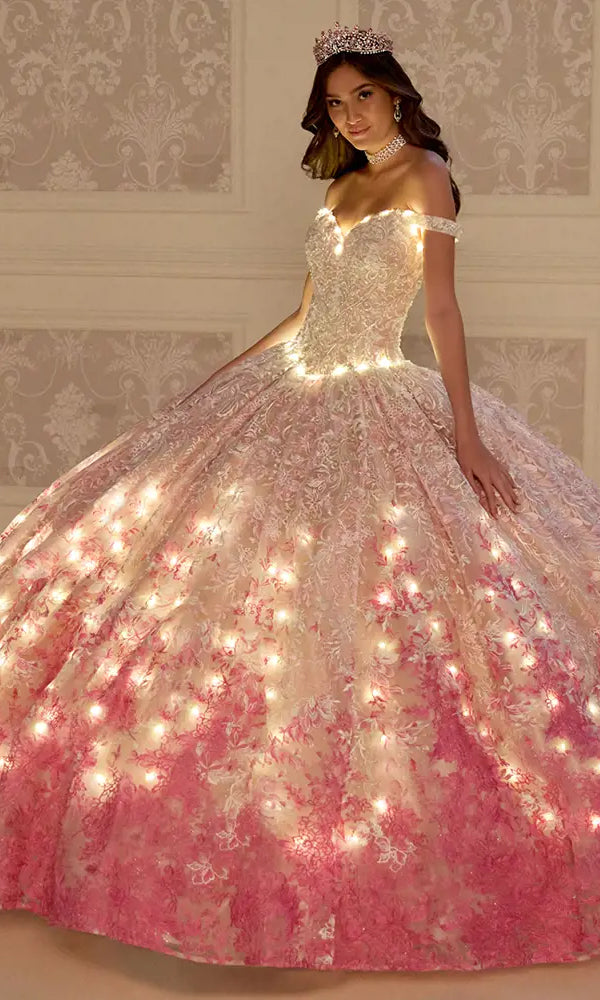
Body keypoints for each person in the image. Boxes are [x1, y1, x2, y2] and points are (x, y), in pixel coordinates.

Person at [1, 19, 600, 975]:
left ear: (396, 94)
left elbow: (438, 308)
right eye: (335, 103)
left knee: (378, 597)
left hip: (379, 388)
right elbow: (310, 307)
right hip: (299, 379)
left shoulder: (424, 176)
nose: (352, 116)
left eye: (364, 96)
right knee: (206, 577)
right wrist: (228, 375)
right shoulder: (342, 184)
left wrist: (466, 430)